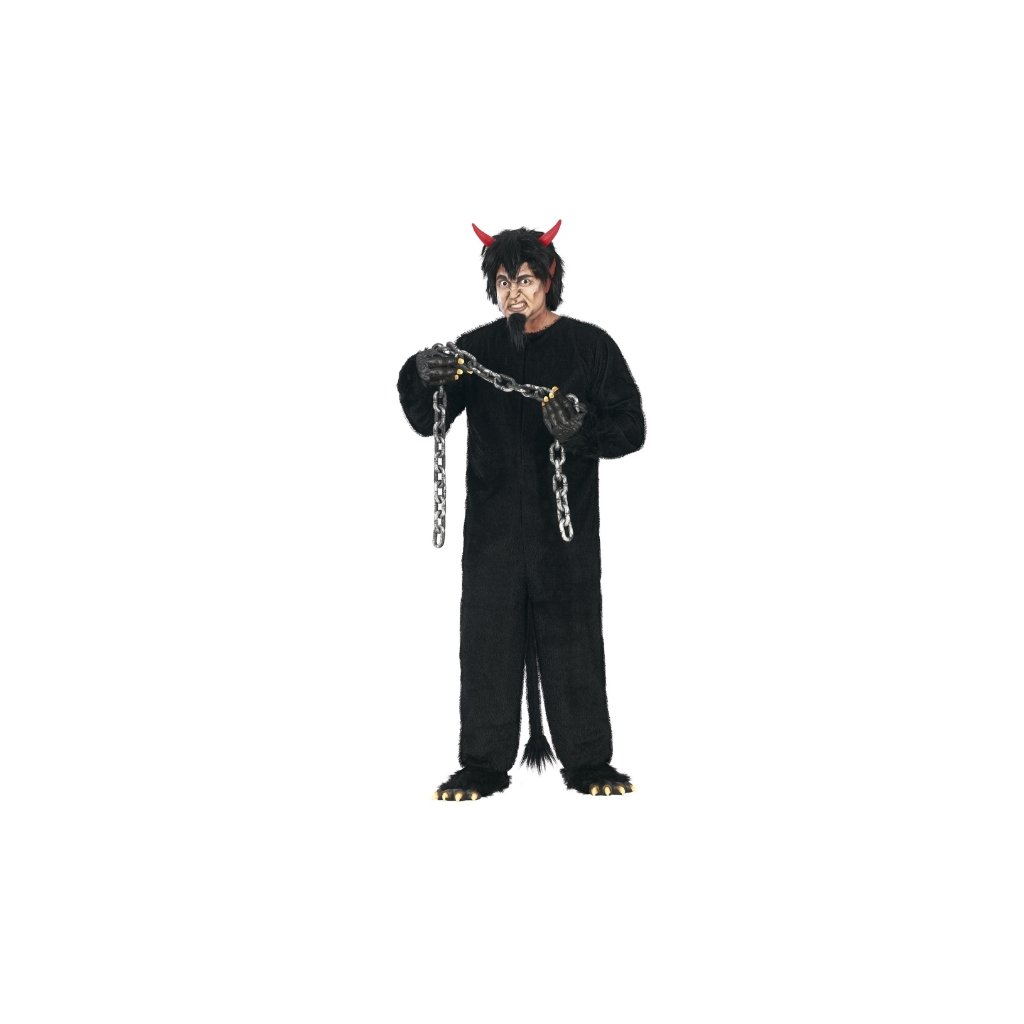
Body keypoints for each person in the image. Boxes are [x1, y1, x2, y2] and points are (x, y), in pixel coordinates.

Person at [397, 220, 645, 800]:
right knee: (488, 638)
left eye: (526, 279)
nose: (515, 292)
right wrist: (421, 372)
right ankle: (482, 766)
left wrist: (579, 429)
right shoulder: (477, 350)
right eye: (505, 281)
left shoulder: (590, 347)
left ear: (548, 280)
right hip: (493, 531)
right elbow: (425, 417)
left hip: (566, 529)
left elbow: (631, 428)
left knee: (573, 636)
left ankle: (589, 762)